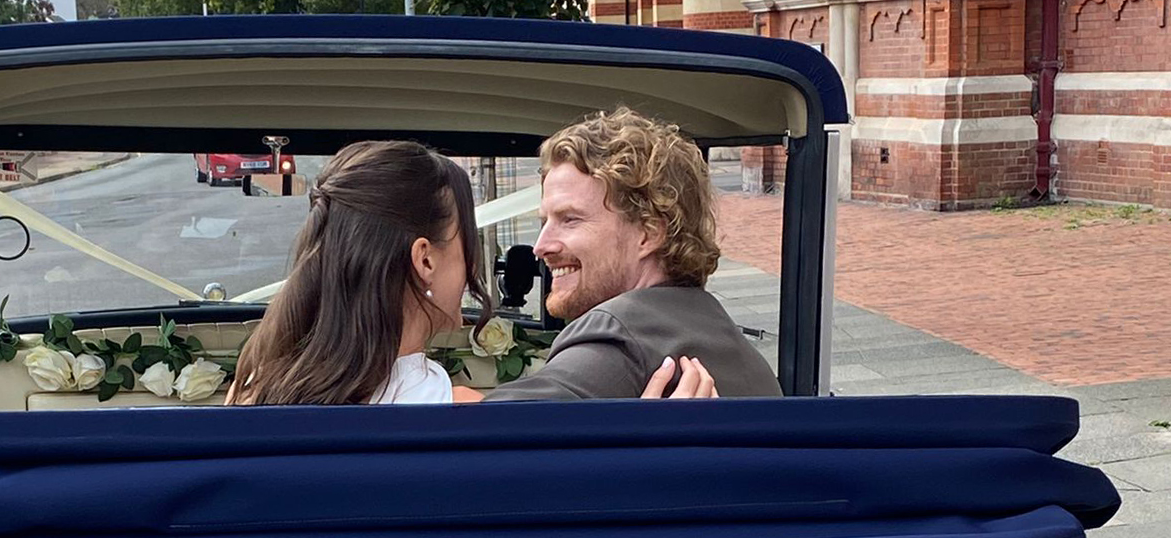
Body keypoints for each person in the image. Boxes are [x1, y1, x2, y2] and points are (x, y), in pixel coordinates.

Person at [228, 140, 715, 406]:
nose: (541, 246)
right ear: (425, 259)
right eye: (467, 243)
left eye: (568, 219)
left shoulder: (250, 396)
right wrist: (658, 445)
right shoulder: (458, 414)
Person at [485, 108, 782, 402]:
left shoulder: (618, 335)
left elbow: (480, 433)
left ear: (649, 233)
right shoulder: (735, 348)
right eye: (544, 221)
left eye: (570, 219)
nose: (540, 246)